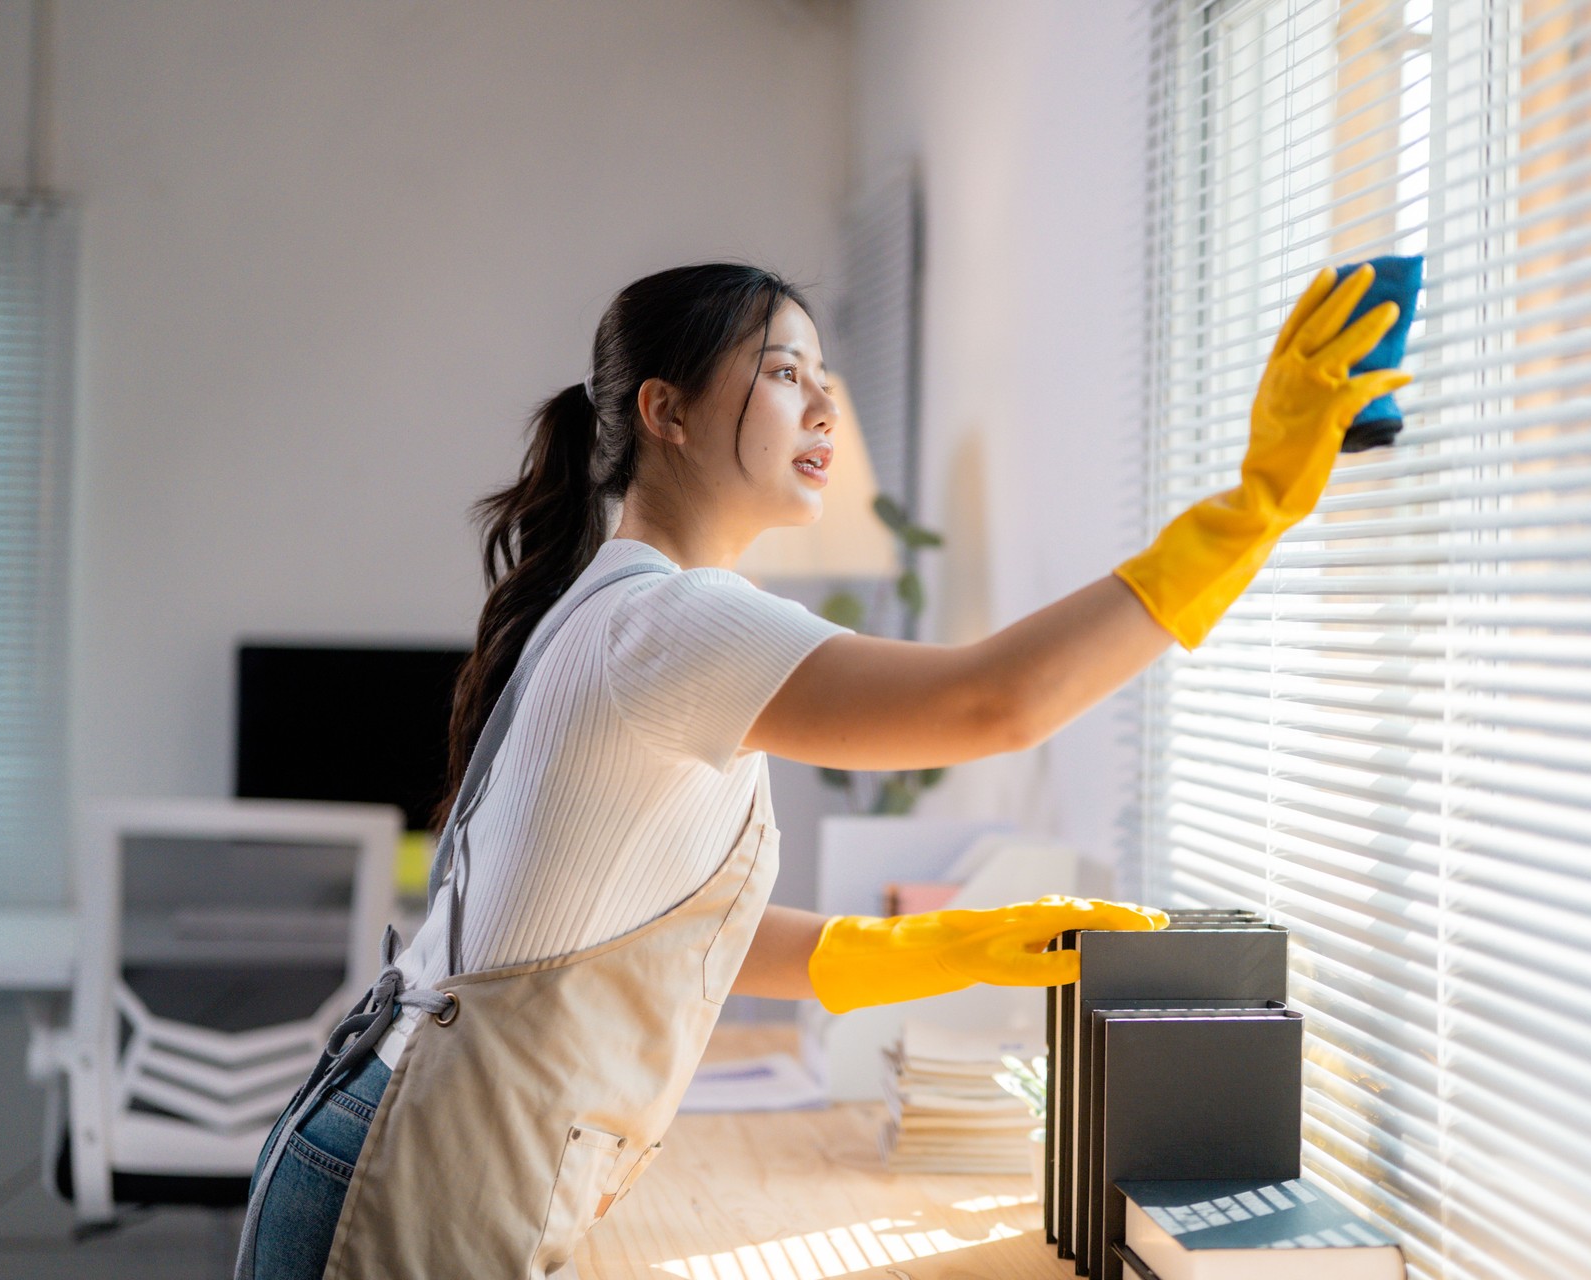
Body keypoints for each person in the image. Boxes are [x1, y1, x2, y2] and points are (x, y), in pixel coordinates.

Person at [234, 260, 1404, 1280]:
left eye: (823, 376)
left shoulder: (641, 612)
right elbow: (992, 700)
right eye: (784, 369)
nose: (823, 402)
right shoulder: (674, 622)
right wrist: (1255, 505)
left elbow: (670, 931)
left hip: (410, 1148)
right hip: (408, 1173)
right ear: (667, 411)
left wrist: (944, 945)